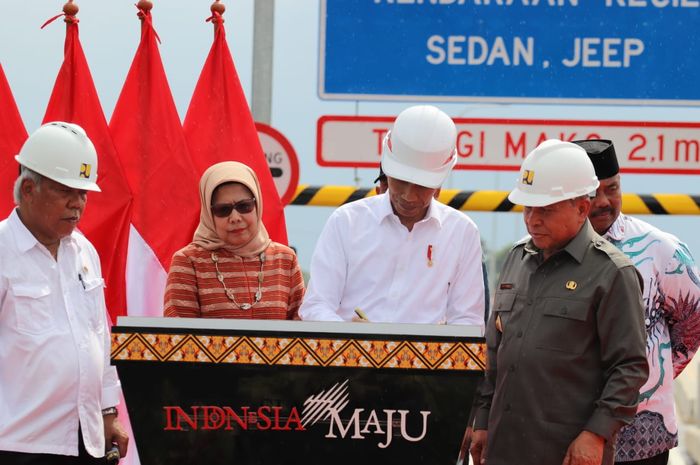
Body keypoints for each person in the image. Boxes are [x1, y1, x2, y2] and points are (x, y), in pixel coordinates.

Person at [470, 139, 649, 465]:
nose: (532, 220)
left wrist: (596, 434)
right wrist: (481, 419)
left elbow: (629, 368)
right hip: (503, 448)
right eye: (527, 208)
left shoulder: (613, 274)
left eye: (545, 210)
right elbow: (494, 352)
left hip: (568, 453)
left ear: (582, 207)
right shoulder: (515, 259)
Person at [0, 122, 128, 463]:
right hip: (18, 444)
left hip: (85, 442)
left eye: (83, 193)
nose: (78, 204)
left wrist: (107, 412)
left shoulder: (85, 253)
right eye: (65, 191)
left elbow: (98, 338)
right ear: (28, 189)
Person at [574, 139, 700, 465]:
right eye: (592, 193)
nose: (603, 202)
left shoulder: (661, 250)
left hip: (642, 437)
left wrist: (652, 372)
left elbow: (693, 319)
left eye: (612, 189)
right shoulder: (547, 250)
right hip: (567, 430)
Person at [299, 105, 485, 325]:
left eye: (421, 186)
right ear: (386, 172)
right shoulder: (347, 222)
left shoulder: (462, 233)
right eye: (401, 181)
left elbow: (467, 320)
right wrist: (352, 340)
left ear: (439, 184)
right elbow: (316, 305)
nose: (409, 195)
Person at [164, 161, 304, 319]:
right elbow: (178, 336)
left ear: (257, 204)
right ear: (209, 215)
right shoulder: (189, 262)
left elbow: (302, 332)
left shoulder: (285, 259)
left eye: (244, 206)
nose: (235, 218)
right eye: (223, 210)